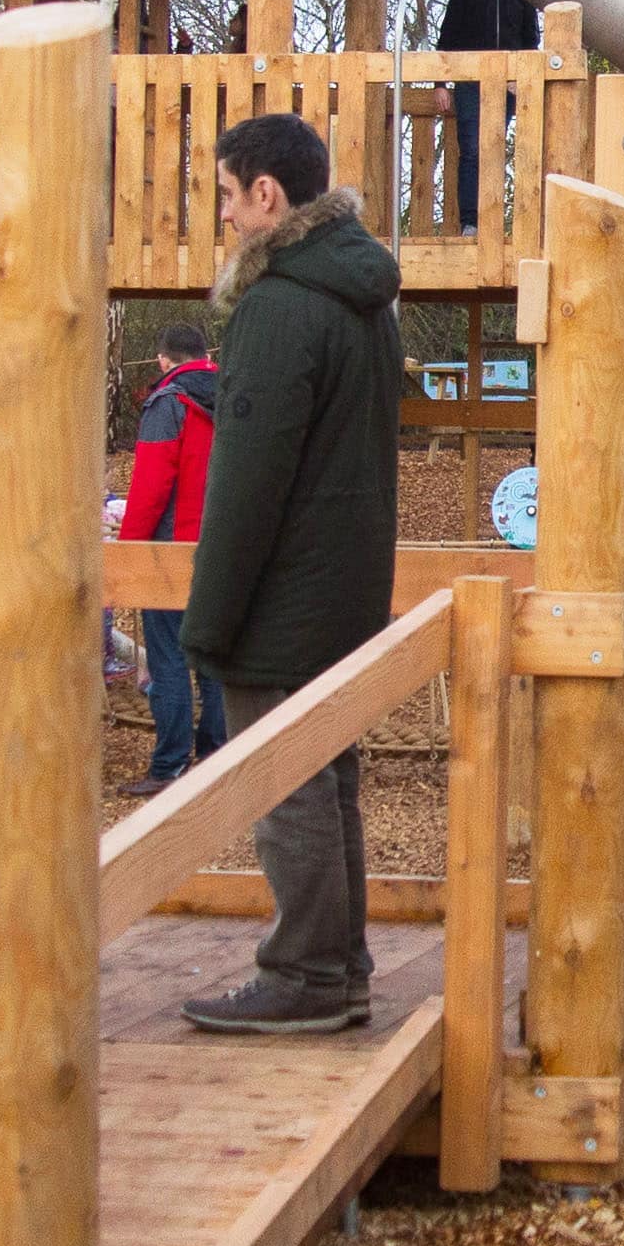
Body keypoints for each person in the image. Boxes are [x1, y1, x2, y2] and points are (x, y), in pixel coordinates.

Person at [175, 111, 403, 1034]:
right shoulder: (364, 298)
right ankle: (337, 965)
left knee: (285, 784)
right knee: (327, 776)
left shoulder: (276, 307)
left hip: (284, 591)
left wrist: (208, 621)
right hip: (347, 581)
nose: (227, 217)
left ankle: (305, 973)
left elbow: (245, 482)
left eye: (229, 196)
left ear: (266, 194)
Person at [115, 322, 228, 789]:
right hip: (223, 545)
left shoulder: (168, 403)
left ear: (164, 361)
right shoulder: (236, 397)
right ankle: (219, 758)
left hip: (170, 550)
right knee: (216, 658)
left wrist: (127, 553)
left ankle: (170, 764)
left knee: (168, 660)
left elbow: (151, 485)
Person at [433, 0, 541, 233]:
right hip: (470, 82)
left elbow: (531, 43)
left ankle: (495, 223)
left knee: (495, 147)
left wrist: (522, 77)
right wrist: (440, 84)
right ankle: (471, 223)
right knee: (471, 149)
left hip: (508, 84)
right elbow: (447, 40)